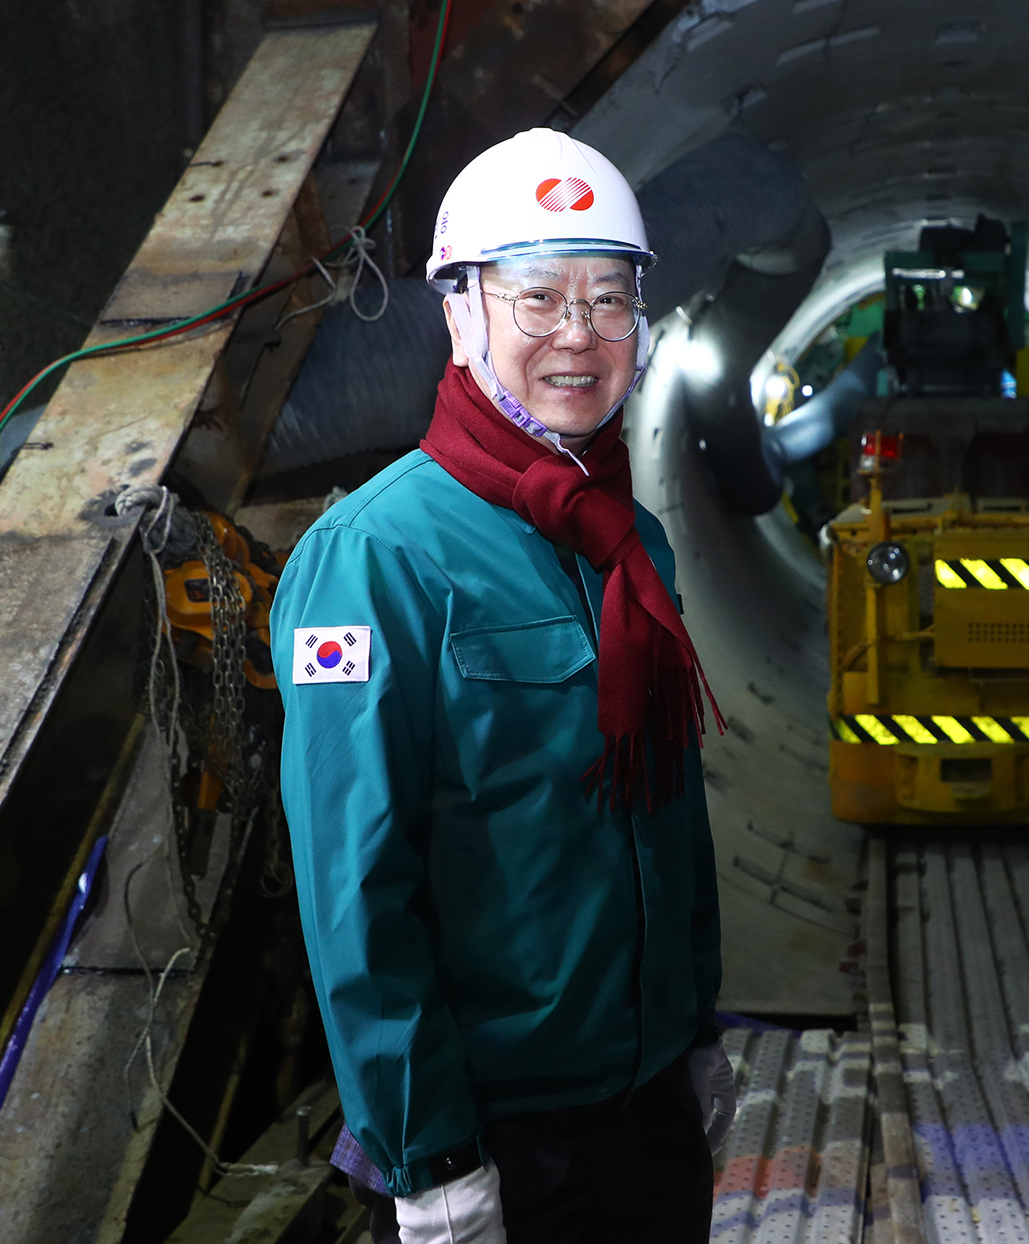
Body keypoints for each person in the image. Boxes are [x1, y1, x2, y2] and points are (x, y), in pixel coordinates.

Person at [273, 129, 735, 1244]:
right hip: (499, 1135)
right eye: (539, 299)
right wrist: (427, 1156)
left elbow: (669, 815)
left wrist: (697, 1036)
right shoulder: (373, 559)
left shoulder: (631, 546)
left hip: (649, 1110)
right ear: (459, 312)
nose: (579, 336)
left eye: (610, 300)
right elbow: (356, 888)